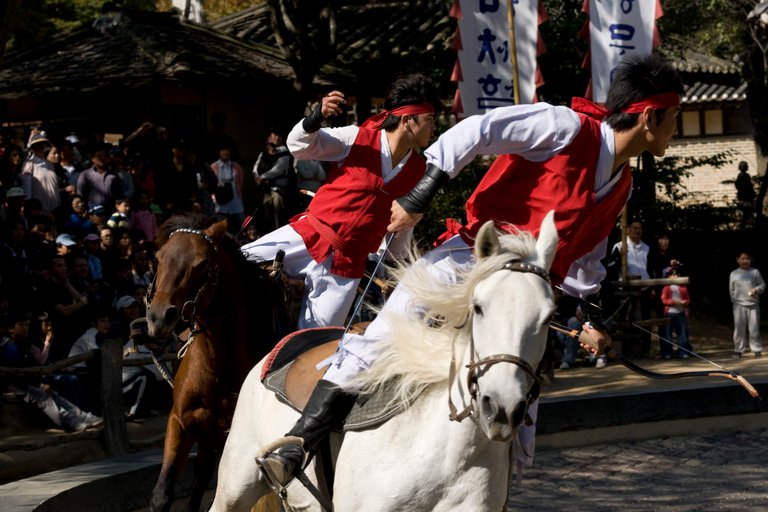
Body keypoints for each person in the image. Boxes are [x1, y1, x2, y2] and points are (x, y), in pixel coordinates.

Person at [258, 54, 685, 487]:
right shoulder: (567, 127)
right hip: (471, 257)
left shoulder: (622, 181)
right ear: (651, 117)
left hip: (525, 294)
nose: (676, 128)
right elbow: (478, 130)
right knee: (382, 336)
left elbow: (588, 257)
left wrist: (586, 317)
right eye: (675, 118)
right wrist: (419, 195)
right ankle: (298, 440)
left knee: (520, 392)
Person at [241, 73, 441, 331]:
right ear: (408, 120)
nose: (434, 128)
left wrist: (393, 269)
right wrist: (316, 117)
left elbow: (400, 229)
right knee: (235, 268)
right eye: (430, 119)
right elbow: (299, 147)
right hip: (308, 235)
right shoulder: (356, 138)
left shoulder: (418, 172)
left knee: (313, 343)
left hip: (347, 268)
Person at [610, 219, 653, 357]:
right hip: (626, 289)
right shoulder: (619, 247)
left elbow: (650, 268)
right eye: (634, 228)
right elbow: (612, 268)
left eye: (640, 228)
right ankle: (626, 351)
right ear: (627, 229)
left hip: (644, 288)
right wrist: (620, 256)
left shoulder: (646, 247)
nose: (637, 231)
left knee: (646, 319)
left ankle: (646, 350)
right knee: (626, 320)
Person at [253, 128, 296, 230]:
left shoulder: (284, 151)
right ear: (270, 137)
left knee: (277, 204)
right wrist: (256, 177)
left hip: (278, 188)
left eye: (279, 136)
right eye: (274, 135)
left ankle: (279, 230)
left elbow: (279, 169)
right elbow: (255, 167)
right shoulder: (263, 152)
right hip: (264, 188)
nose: (277, 138)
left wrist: (263, 177)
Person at [729, 251, 765, 358]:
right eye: (743, 258)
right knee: (739, 328)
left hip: (753, 304)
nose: (745, 261)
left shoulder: (755, 272)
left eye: (747, 259)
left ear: (750, 260)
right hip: (739, 304)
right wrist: (735, 300)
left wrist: (756, 290)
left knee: (754, 328)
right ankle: (738, 350)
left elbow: (762, 285)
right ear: (738, 260)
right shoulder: (734, 273)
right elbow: (731, 289)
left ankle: (756, 349)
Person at [211, 143, 246, 233]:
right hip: (220, 201)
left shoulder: (236, 166)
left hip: (235, 199)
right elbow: (211, 185)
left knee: (242, 223)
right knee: (221, 226)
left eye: (227, 150)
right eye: (223, 150)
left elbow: (240, 182)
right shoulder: (214, 166)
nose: (226, 152)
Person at [660, 263, 692, 359]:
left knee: (682, 334)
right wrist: (674, 301)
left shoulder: (682, 287)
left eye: (677, 274)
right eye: (673, 274)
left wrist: (684, 302)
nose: (675, 276)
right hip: (669, 313)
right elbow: (664, 299)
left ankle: (683, 352)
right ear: (669, 276)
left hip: (680, 313)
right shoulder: (666, 287)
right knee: (667, 335)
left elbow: (688, 299)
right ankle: (667, 353)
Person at [735, 161, 756, 230]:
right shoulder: (746, 176)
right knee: (748, 213)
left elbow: (737, 186)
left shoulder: (739, 175)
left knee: (745, 214)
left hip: (742, 197)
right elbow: (749, 187)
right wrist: (753, 195)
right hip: (746, 198)